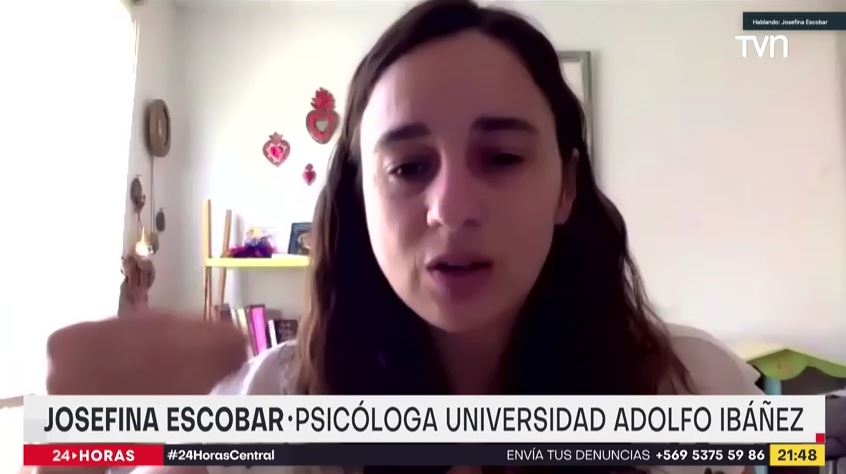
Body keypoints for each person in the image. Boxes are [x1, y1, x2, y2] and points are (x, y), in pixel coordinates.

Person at [44, 0, 762, 473]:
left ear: (566, 187)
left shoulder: (700, 394)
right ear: (360, 197)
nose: (450, 208)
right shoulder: (271, 406)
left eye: (502, 158)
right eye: (409, 167)